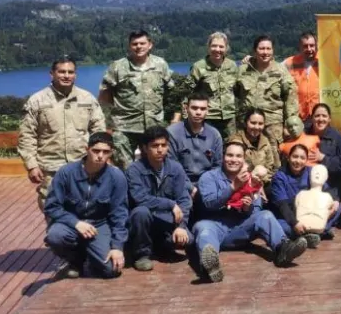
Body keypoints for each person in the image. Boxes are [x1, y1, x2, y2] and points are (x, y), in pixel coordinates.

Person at [191, 141, 307, 283]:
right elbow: (209, 203)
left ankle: (283, 249)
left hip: (241, 229)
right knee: (202, 228)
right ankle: (210, 266)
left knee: (265, 215)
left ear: (244, 159)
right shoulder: (208, 177)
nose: (234, 159)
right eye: (230, 155)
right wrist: (233, 187)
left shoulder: (252, 179)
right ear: (223, 157)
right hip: (215, 226)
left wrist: (247, 208)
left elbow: (256, 209)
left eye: (238, 156)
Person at [19, 55, 106, 211]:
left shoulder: (87, 99)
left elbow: (99, 131)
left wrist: (98, 158)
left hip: (82, 164)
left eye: (70, 72)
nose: (66, 76)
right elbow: (27, 135)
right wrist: (31, 166)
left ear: (75, 75)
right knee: (51, 208)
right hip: (50, 167)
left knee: (84, 207)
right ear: (52, 74)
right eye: (61, 72)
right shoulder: (37, 101)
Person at [43, 132, 127, 279]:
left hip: (99, 225)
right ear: (87, 149)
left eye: (106, 152)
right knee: (55, 236)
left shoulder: (116, 177)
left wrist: (117, 247)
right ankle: (75, 261)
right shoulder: (66, 172)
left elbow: (119, 214)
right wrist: (76, 223)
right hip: (71, 223)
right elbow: (52, 206)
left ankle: (93, 256)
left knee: (111, 270)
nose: (100, 156)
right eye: (96, 150)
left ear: (111, 153)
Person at [99, 30, 175, 167]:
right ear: (129, 46)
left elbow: (172, 92)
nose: (138, 47)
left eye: (142, 43)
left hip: (153, 126)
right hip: (124, 127)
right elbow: (104, 96)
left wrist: (174, 118)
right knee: (124, 167)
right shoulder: (118, 67)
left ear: (150, 45)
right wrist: (108, 125)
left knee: (154, 165)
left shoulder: (160, 64)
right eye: (134, 44)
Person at [126, 126, 192, 271]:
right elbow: (140, 198)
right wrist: (170, 204)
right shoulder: (134, 170)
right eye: (155, 146)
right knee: (140, 212)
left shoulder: (175, 168)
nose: (160, 150)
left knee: (189, 240)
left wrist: (181, 227)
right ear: (145, 148)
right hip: (145, 221)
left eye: (163, 145)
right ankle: (141, 255)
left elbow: (184, 200)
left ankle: (163, 249)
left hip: (166, 219)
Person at [235, 35, 303, 145]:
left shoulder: (281, 71)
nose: (265, 52)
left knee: (273, 154)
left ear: (272, 51)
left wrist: (288, 125)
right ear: (255, 51)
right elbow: (235, 93)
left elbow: (290, 98)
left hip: (272, 126)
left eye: (268, 49)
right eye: (261, 49)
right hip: (247, 125)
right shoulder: (243, 70)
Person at [271, 143, 341, 247]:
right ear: (288, 158)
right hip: (288, 216)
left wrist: (335, 200)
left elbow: (327, 189)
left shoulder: (310, 172)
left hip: (311, 214)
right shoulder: (279, 177)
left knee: (338, 207)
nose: (298, 161)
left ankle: (317, 231)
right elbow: (282, 205)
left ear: (306, 160)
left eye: (302, 158)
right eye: (295, 156)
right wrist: (295, 223)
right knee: (281, 226)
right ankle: (316, 233)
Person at [167, 92, 223, 193]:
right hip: (179, 183)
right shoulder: (173, 133)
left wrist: (205, 186)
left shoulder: (214, 135)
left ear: (207, 110)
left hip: (207, 184)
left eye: (202, 109)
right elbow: (171, 165)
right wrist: (189, 187)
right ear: (186, 109)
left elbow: (217, 166)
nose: (198, 112)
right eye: (194, 108)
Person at [188, 32, 238, 140]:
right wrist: (186, 118)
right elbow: (187, 93)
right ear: (208, 47)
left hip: (229, 118)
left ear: (226, 48)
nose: (217, 49)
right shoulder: (198, 67)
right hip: (208, 118)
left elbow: (238, 90)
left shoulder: (232, 66)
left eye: (221, 46)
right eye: (214, 46)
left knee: (231, 146)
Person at [304, 103, 341, 203]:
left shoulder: (338, 137)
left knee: (331, 211)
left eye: (324, 116)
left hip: (331, 185)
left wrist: (323, 158)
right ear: (312, 118)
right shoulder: (303, 133)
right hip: (306, 184)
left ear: (329, 119)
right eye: (317, 116)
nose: (321, 119)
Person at [282, 31, 320, 123]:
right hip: (297, 116)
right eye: (305, 46)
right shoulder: (289, 63)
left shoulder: (324, 61)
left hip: (318, 115)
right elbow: (271, 67)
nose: (309, 49)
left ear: (316, 46)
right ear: (300, 47)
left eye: (312, 45)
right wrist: (253, 60)